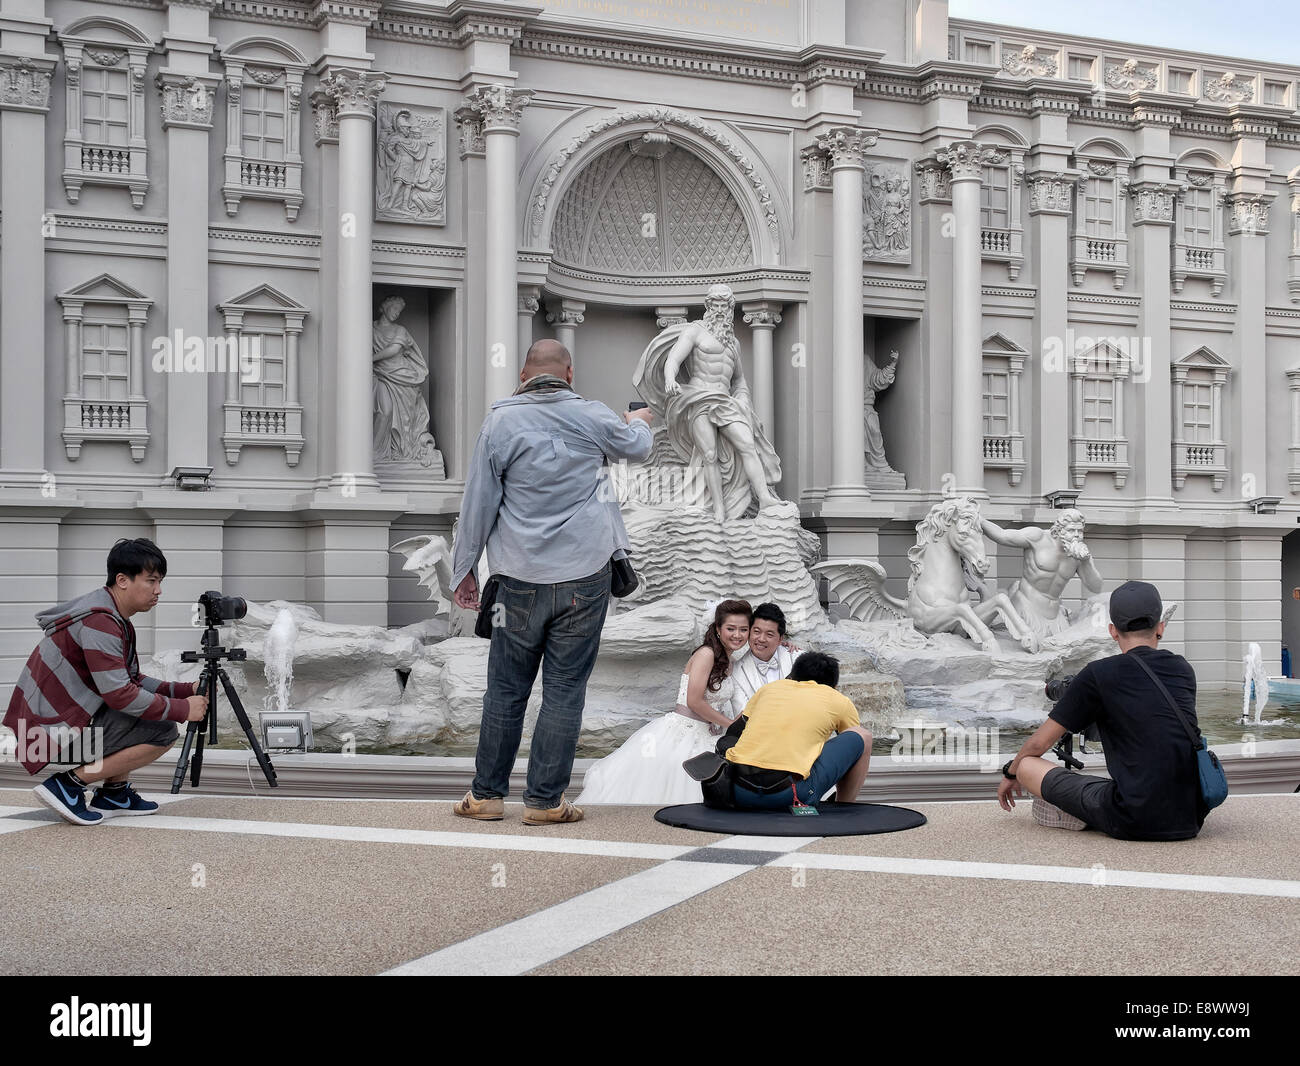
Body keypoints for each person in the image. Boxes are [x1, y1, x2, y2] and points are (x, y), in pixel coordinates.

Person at [450, 339, 655, 825]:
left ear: (522, 376)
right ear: (569, 372)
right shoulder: (593, 415)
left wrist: (463, 571)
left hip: (517, 579)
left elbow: (477, 503)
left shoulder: (499, 421)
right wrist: (641, 421)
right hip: (586, 578)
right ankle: (544, 802)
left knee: (504, 689)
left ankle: (486, 797)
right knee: (564, 690)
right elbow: (638, 449)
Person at [3, 538, 207, 826]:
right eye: (151, 581)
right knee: (162, 730)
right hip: (43, 734)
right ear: (122, 580)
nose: (158, 590)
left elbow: (131, 681)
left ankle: (114, 794)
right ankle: (67, 786)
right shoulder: (100, 622)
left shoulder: (112, 617)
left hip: (51, 726)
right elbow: (121, 695)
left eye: (160, 582)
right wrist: (183, 710)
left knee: (144, 713)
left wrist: (186, 691)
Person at [997, 580, 1208, 840]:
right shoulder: (1183, 669)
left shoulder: (1099, 674)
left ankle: (1075, 810)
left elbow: (1039, 743)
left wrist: (1010, 772)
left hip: (1131, 818)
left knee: (1027, 764)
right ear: (1160, 627)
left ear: (1112, 631)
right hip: (1190, 818)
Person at [576, 599, 752, 806]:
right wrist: (730, 725)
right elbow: (694, 701)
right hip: (683, 731)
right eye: (731, 628)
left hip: (707, 733)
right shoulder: (706, 654)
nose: (737, 635)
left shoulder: (727, 661)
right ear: (718, 629)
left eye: (743, 629)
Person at [722, 652, 873, 809]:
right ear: (834, 686)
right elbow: (852, 746)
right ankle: (844, 806)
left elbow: (736, 730)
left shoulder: (768, 689)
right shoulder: (838, 699)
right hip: (789, 795)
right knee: (863, 736)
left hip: (737, 792)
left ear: (792, 676)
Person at [730, 601, 801, 710]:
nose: (761, 639)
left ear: (780, 639)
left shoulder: (798, 659)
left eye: (769, 634)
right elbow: (742, 713)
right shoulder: (736, 672)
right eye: (757, 632)